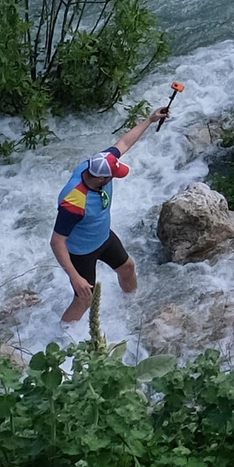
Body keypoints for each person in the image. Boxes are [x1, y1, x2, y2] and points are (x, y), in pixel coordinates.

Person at [49, 107, 170, 324]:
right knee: (84, 300)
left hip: (103, 237)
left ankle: (132, 308)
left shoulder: (98, 163)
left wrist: (150, 120)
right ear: (100, 179)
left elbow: (123, 143)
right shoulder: (74, 202)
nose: (115, 178)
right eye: (112, 176)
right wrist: (75, 278)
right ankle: (60, 342)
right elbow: (57, 242)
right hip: (81, 253)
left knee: (127, 267)